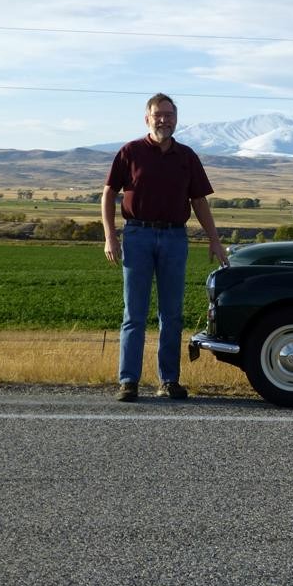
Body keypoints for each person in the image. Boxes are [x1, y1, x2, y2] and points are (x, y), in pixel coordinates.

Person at [102, 93, 229, 402]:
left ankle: (169, 380)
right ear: (147, 118)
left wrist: (214, 239)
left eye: (169, 115)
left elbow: (199, 200)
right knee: (134, 313)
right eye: (158, 114)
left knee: (171, 313)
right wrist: (110, 236)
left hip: (174, 238)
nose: (164, 120)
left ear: (176, 119)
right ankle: (128, 381)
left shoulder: (186, 156)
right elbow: (108, 194)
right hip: (138, 237)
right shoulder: (130, 152)